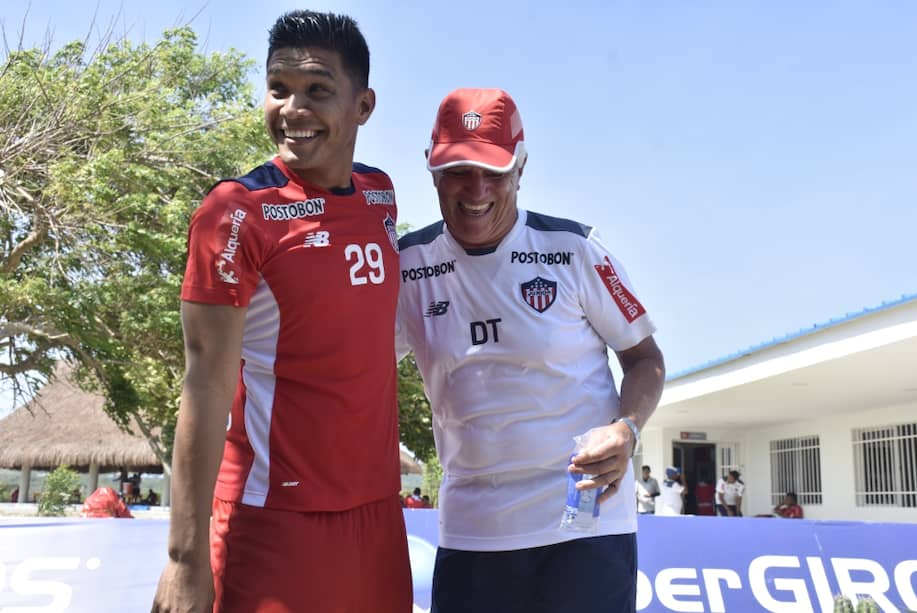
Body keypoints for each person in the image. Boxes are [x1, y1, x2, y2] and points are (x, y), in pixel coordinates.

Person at [151, 11, 412, 613]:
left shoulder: (381, 193)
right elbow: (204, 382)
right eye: (279, 89)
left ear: (363, 106)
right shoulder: (235, 211)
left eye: (318, 90)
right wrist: (183, 560)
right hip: (275, 519)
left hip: (377, 518)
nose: (293, 108)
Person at [396, 88, 665, 613]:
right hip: (473, 531)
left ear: (521, 167)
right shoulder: (405, 267)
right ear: (430, 169)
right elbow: (357, 378)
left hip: (585, 524)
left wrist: (626, 428)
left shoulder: (575, 250)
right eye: (458, 170)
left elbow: (645, 358)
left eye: (494, 171)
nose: (476, 189)